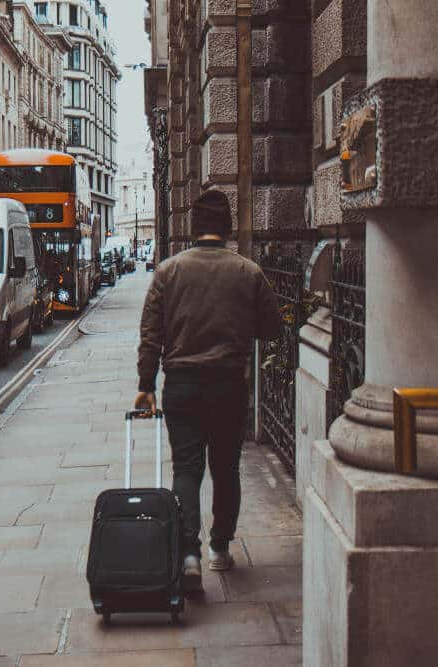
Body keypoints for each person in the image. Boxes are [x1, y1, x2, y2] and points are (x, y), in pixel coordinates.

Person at [135, 189, 283, 589]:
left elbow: (151, 334)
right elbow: (272, 328)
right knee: (225, 468)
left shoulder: (168, 271)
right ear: (227, 227)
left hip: (181, 385)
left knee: (186, 469)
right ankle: (220, 547)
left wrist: (145, 384)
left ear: (193, 226)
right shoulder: (248, 272)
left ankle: (188, 555)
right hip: (227, 386)